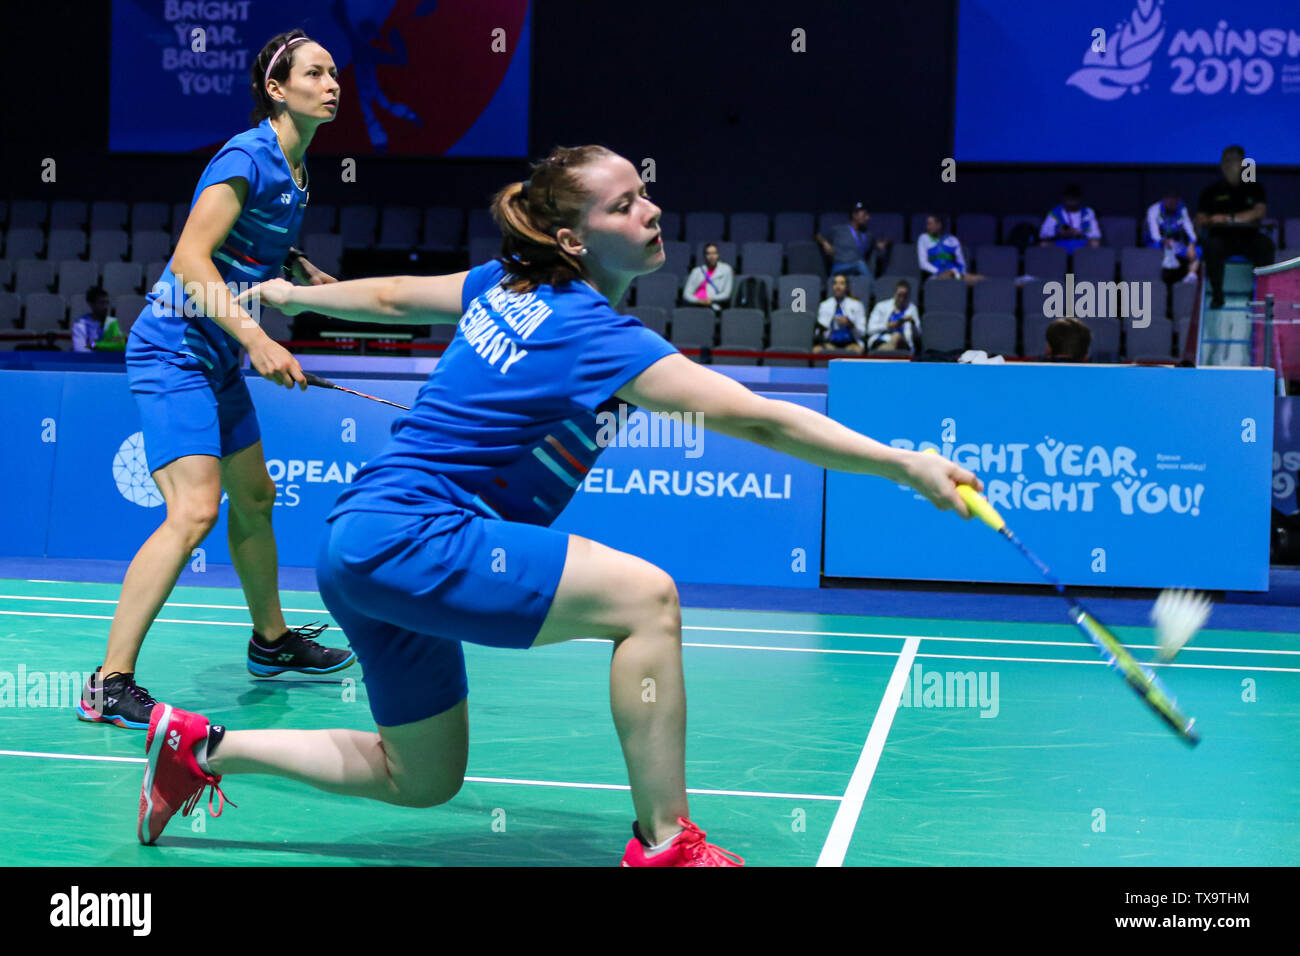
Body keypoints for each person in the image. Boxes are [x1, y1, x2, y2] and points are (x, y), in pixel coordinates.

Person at [136, 145, 984, 867]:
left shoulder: (504, 285)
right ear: (576, 238)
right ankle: (666, 841)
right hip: (415, 537)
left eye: (644, 194)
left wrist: (300, 297)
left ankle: (200, 750)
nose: (651, 210)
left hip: (358, 546)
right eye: (626, 204)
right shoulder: (591, 332)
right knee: (646, 600)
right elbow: (756, 414)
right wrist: (902, 464)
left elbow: (397, 299)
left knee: (422, 778)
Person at [75, 31, 355, 731]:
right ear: (276, 88)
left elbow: (248, 246)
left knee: (254, 498)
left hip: (214, 355)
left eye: (334, 72)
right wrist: (257, 336)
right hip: (174, 348)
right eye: (315, 73)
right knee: (195, 512)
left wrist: (298, 274)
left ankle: (271, 643)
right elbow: (193, 260)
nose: (332, 83)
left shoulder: (296, 171)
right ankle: (109, 683)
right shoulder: (246, 156)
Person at [1196, 144, 1274, 308]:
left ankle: (1261, 295)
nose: (1228, 165)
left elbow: (1259, 212)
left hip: (1249, 237)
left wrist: (1228, 218)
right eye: (1225, 161)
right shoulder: (1211, 191)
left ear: (1242, 163)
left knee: (1266, 245)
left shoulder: (1254, 187)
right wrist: (1212, 220)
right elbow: (1200, 218)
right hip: (1222, 238)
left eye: (1232, 160)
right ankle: (1217, 295)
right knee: (1211, 246)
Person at [816, 202, 889, 277]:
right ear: (854, 215)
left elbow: (876, 246)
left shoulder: (868, 235)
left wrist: (882, 245)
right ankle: (872, 285)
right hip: (840, 267)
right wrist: (825, 243)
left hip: (859, 269)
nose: (868, 218)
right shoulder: (839, 230)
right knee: (860, 265)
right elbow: (818, 235)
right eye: (864, 215)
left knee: (862, 265)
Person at [1145, 190, 1199, 284]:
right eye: (1170, 201)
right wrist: (1164, 241)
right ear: (1164, 200)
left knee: (1197, 251)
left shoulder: (1182, 208)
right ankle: (1155, 280)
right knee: (1155, 250)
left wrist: (1192, 244)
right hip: (1157, 244)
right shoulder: (1154, 209)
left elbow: (1190, 230)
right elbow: (1154, 234)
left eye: (1175, 201)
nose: (1173, 204)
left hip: (1175, 244)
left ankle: (1191, 275)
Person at [917, 214, 982, 284]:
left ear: (939, 225)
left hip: (954, 275)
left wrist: (956, 273)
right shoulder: (923, 238)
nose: (927, 227)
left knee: (980, 280)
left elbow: (961, 263)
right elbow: (923, 264)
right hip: (937, 275)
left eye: (930, 224)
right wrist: (940, 271)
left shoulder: (953, 240)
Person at [1039, 185, 1102, 252]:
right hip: (1060, 244)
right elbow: (1043, 233)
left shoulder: (1088, 212)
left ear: (1079, 198)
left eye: (1074, 197)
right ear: (1064, 198)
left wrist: (1080, 233)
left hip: (1081, 244)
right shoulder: (1055, 212)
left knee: (1095, 243)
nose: (1071, 200)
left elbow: (1096, 234)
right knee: (1044, 244)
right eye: (1069, 197)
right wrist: (1058, 232)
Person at [814, 273, 866, 353]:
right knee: (816, 350)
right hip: (830, 342)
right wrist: (821, 329)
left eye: (842, 283)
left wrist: (850, 324)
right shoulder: (824, 305)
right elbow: (819, 333)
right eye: (835, 283)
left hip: (850, 342)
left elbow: (862, 332)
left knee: (858, 350)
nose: (838, 287)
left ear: (847, 287)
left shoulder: (857, 305)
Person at [867, 279, 921, 354]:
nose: (902, 299)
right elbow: (870, 330)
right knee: (884, 346)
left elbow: (918, 335)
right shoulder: (881, 306)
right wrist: (889, 325)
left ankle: (881, 357)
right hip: (880, 340)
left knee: (896, 336)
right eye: (899, 295)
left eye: (905, 296)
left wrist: (912, 324)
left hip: (903, 343)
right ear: (894, 294)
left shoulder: (912, 309)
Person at [70, 286, 126, 352]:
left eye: (107, 303)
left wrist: (95, 345)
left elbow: (120, 345)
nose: (105, 307)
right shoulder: (80, 326)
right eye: (102, 303)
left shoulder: (112, 323)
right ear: (91, 304)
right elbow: (80, 351)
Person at [682, 242, 733, 314]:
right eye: (708, 253)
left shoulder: (726, 270)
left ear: (718, 255)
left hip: (712, 306)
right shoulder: (697, 271)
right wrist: (699, 301)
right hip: (695, 305)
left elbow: (726, 294)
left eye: (714, 253)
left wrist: (711, 299)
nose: (712, 256)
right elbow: (686, 294)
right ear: (704, 256)